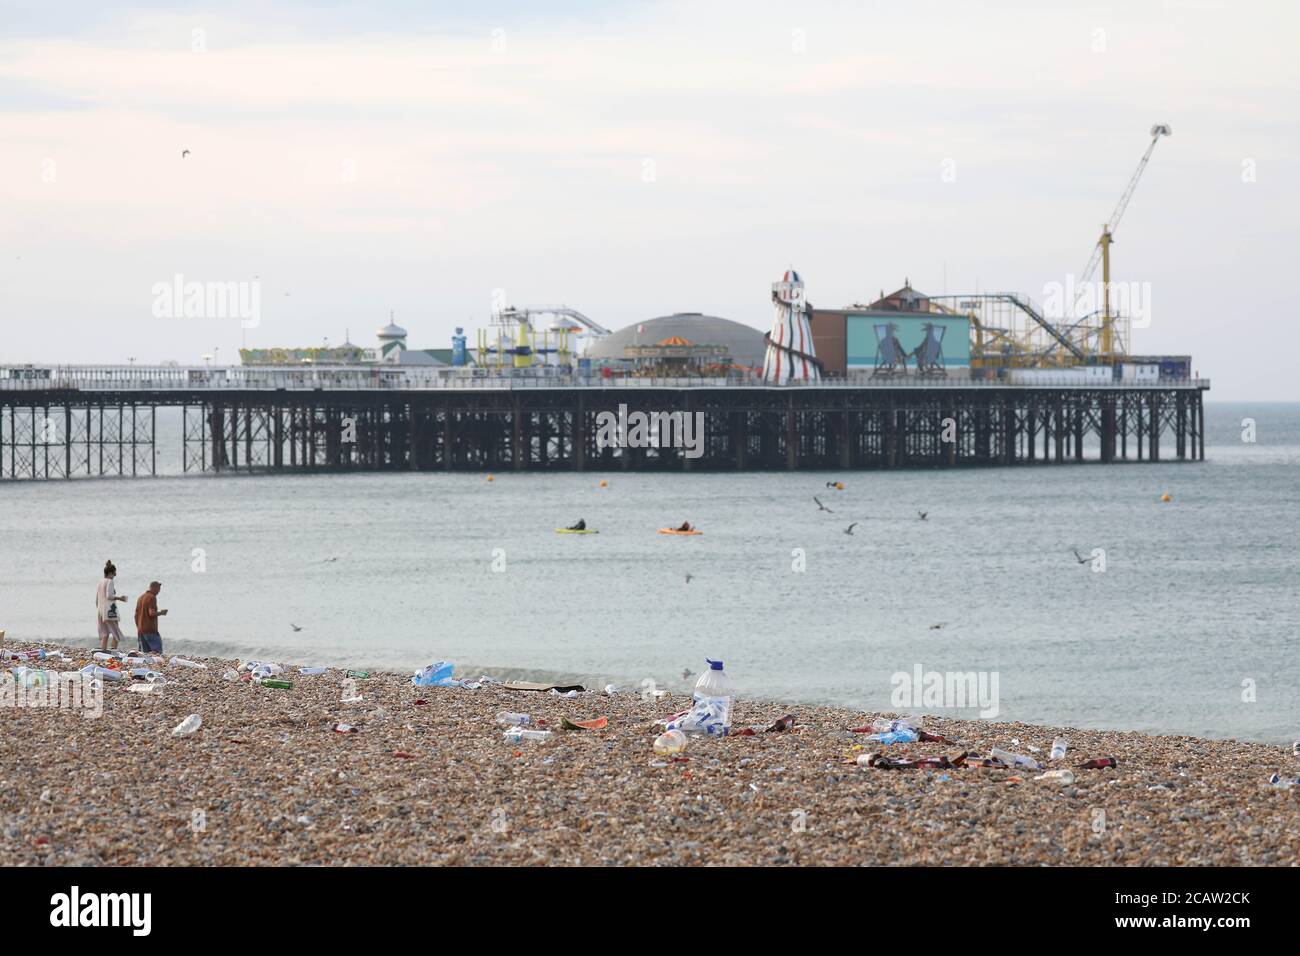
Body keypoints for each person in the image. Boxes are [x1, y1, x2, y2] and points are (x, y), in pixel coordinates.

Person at [95, 560, 128, 652]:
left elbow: (97, 600)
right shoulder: (110, 581)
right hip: (110, 610)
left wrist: (100, 608)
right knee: (116, 633)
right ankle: (113, 650)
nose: (115, 575)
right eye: (114, 573)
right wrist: (120, 598)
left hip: (100, 610)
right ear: (110, 573)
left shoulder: (100, 582)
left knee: (104, 633)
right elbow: (109, 595)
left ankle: (103, 650)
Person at [134, 581, 167, 654]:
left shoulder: (140, 597)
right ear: (154, 588)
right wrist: (162, 612)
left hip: (141, 630)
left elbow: (136, 615)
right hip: (150, 630)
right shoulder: (152, 597)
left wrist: (138, 627)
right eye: (158, 588)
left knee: (145, 653)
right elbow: (151, 613)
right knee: (157, 651)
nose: (159, 591)